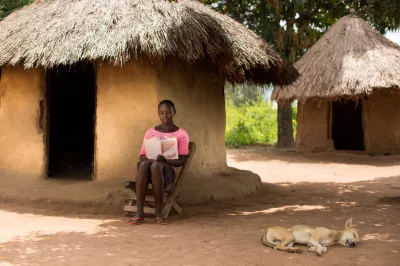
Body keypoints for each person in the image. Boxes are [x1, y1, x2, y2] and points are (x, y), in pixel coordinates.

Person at [128, 100, 189, 225]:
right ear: (158, 114)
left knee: (156, 166)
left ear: (174, 112)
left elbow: (182, 161)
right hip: (148, 171)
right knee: (144, 164)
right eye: (161, 113)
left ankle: (159, 213)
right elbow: (142, 155)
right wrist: (144, 158)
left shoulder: (181, 134)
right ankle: (139, 213)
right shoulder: (150, 132)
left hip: (166, 172)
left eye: (168, 112)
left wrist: (167, 160)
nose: (165, 116)